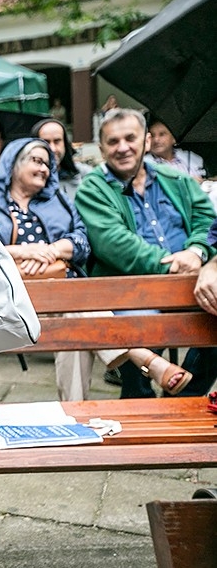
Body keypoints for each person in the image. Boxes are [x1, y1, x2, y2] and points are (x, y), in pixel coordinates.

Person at [0, 138, 191, 400]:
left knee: (76, 315)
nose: (45, 169)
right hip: (13, 303)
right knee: (82, 313)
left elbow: (83, 242)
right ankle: (144, 358)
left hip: (62, 300)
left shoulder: (58, 201)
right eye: (37, 161)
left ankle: (74, 412)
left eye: (48, 164)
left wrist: (54, 249)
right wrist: (23, 251)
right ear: (14, 164)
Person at [75, 108, 217, 398]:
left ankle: (185, 398)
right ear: (102, 149)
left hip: (191, 282)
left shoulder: (175, 178)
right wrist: (176, 267)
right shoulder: (93, 188)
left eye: (130, 138)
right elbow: (114, 243)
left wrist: (197, 251)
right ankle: (138, 399)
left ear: (147, 141)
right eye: (113, 141)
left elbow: (207, 218)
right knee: (137, 330)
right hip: (130, 288)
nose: (123, 147)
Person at [31, 118, 93, 201]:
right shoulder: (27, 183)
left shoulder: (85, 175)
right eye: (46, 142)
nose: (53, 149)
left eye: (57, 141)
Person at [145, 118, 207, 183]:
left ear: (174, 138)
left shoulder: (190, 158)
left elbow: (202, 180)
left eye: (162, 134)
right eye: (152, 135)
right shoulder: (144, 164)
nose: (156, 140)